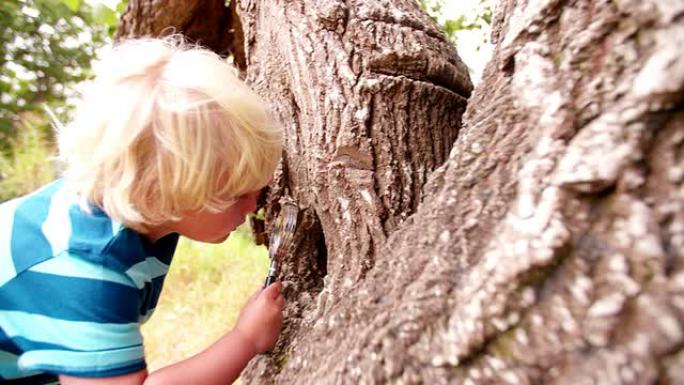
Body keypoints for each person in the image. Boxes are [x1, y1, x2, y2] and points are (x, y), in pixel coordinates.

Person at [0, 36, 284, 385]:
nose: (255, 206)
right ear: (159, 194)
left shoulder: (120, 203)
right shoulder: (86, 275)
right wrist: (245, 339)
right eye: (236, 194)